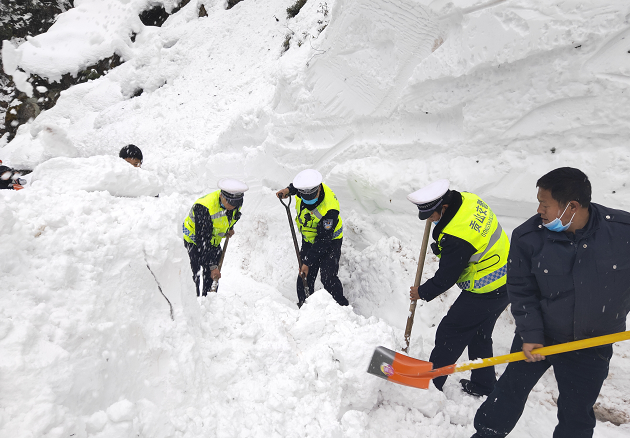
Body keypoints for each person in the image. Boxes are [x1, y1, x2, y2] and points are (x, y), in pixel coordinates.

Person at [472, 167, 630, 438]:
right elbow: (521, 289)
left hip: (592, 343)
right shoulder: (528, 237)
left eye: (544, 204)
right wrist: (531, 334)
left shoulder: (622, 232)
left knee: (577, 413)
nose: (538, 210)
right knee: (509, 392)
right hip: (541, 334)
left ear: (572, 207)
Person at [407, 179, 510, 397]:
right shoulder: (468, 200)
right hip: (508, 279)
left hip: (487, 289)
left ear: (443, 207)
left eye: (432, 216)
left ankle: (430, 385)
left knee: (450, 332)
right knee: (479, 334)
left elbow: (446, 277)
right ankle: (484, 384)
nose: (430, 220)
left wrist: (422, 292)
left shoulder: (457, 236)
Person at [276, 169, 349, 308]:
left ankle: (342, 308)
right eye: (305, 197)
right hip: (309, 240)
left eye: (311, 197)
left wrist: (308, 262)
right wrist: (287, 190)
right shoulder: (304, 190)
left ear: (319, 187)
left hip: (330, 241)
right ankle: (305, 307)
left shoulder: (330, 208)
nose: (308, 201)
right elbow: (295, 187)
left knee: (328, 278)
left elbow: (323, 241)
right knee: (304, 276)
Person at [182, 178, 248, 297]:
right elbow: (203, 241)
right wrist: (212, 266)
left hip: (212, 241)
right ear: (221, 196)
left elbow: (232, 216)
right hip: (193, 241)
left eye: (235, 203)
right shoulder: (204, 207)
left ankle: (209, 301)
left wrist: (228, 229)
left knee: (212, 276)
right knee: (194, 275)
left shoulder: (236, 203)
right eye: (229, 202)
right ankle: (193, 303)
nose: (232, 206)